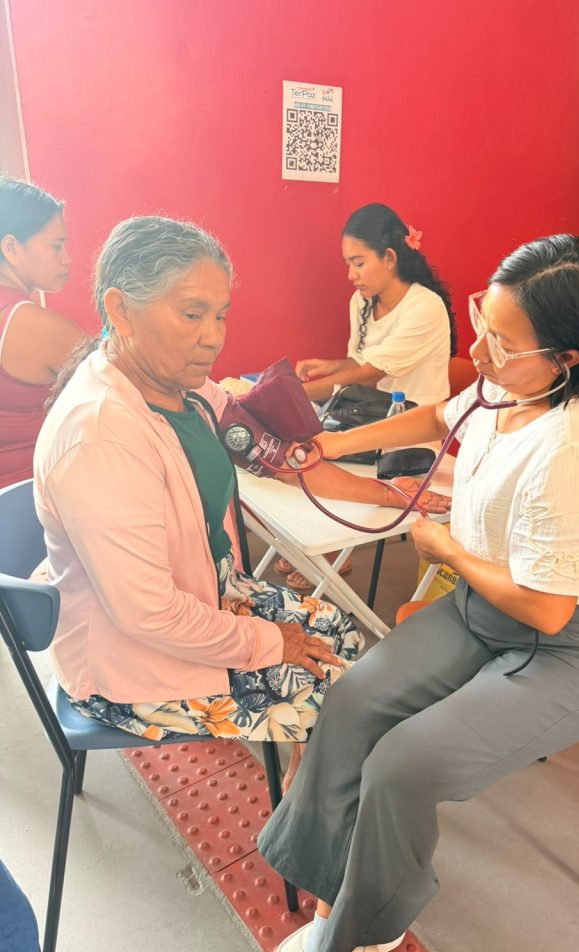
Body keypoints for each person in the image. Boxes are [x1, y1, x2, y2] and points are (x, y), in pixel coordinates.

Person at [250, 234, 579, 952]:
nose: (479, 351)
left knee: (404, 765)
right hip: (483, 613)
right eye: (481, 321)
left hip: (566, 650)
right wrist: (329, 444)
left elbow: (547, 609)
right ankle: (349, 923)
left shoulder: (572, 447)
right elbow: (437, 415)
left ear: (566, 358)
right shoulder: (504, 388)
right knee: (351, 703)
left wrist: (447, 549)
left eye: (502, 341)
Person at [34, 216, 449, 745]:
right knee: (351, 702)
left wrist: (392, 494)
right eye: (192, 315)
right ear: (121, 311)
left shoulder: (186, 389)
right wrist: (268, 641)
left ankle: (306, 775)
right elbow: (149, 615)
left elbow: (282, 460)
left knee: (341, 628)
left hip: (205, 594)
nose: (213, 337)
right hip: (132, 664)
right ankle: (312, 790)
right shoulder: (100, 439)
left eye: (220, 315)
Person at [276, 202, 456, 589]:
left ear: (389, 257)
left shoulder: (424, 307)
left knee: (320, 454)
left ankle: (331, 551)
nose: (350, 275)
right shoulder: (362, 302)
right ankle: (322, 542)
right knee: (306, 449)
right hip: (369, 414)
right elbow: (361, 363)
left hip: (414, 428)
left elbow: (372, 374)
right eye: (348, 264)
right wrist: (330, 366)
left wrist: (293, 394)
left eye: (358, 263)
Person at [0, 177, 81, 488]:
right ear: (11, 248)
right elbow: (128, 398)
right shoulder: (38, 328)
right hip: (26, 503)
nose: (66, 258)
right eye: (56, 245)